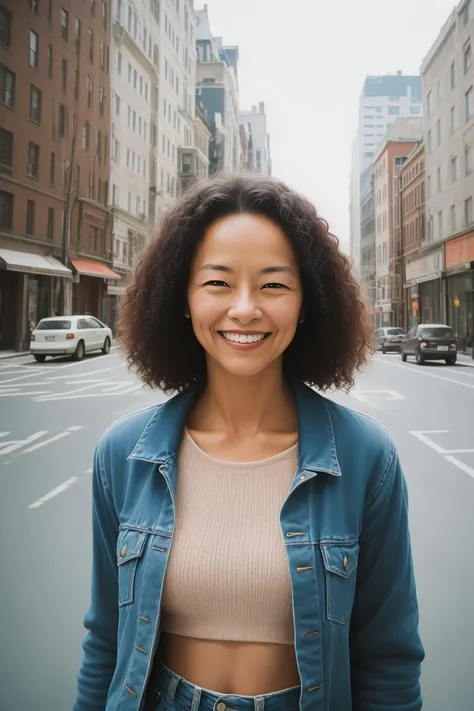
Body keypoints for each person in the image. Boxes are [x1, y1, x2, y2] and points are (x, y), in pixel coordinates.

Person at [73, 173, 424, 711]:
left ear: (307, 302)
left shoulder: (365, 458)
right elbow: (105, 641)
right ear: (182, 297)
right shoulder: (123, 454)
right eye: (217, 283)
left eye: (273, 285)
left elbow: (388, 659)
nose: (244, 308)